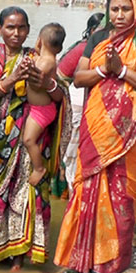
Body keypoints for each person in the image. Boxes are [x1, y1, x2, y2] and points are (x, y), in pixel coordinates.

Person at [54, 0, 136, 273]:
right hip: (96, 126)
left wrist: (122, 72)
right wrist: (104, 71)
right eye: (114, 9)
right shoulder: (98, 38)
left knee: (123, 192)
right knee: (87, 186)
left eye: (125, 9)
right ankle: (82, 256)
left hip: (129, 130)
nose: (119, 15)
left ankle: (112, 260)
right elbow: (79, 78)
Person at [0, 6, 69, 271]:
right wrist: (12, 79)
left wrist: (46, 83)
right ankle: (2, 249)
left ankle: (23, 255)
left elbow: (60, 96)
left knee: (29, 194)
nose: (16, 33)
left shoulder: (38, 57)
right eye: (10, 27)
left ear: (30, 31)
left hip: (31, 136)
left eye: (21, 28)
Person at [57, 13, 104, 194]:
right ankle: (72, 193)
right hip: (74, 103)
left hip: (79, 103)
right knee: (72, 154)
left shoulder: (88, 47)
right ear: (92, 31)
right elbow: (63, 77)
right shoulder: (85, 49)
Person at [23, 23, 66, 187]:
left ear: (39, 41)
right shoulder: (40, 59)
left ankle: (39, 168)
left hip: (42, 111)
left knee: (28, 140)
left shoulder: (47, 61)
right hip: (37, 109)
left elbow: (35, 82)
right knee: (27, 138)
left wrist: (28, 69)